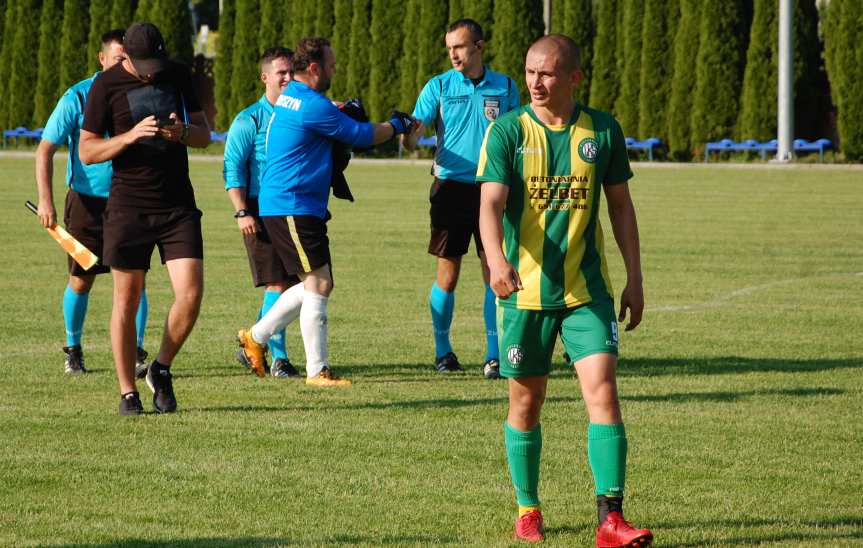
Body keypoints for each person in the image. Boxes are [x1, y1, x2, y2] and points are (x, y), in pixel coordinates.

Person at [477, 35, 653, 546]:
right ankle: (528, 508)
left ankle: (610, 518)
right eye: (530, 71)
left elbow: (620, 207)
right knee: (525, 408)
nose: (535, 82)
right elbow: (489, 205)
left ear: (574, 78)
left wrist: (635, 277)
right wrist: (495, 259)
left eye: (548, 73)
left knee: (604, 392)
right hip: (526, 294)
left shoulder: (602, 130)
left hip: (587, 291)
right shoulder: (509, 130)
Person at [236, 37, 416, 387]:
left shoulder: (294, 98)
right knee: (318, 283)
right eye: (331, 66)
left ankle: (255, 339)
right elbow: (361, 135)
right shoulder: (310, 104)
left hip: (293, 204)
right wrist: (397, 125)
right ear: (315, 68)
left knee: (315, 283)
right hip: (293, 205)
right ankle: (316, 371)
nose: (335, 70)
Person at [79, 22, 211, 416]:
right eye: (144, 64)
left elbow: (205, 134)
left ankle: (161, 367)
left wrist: (183, 132)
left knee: (190, 294)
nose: (152, 71)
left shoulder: (177, 75)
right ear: (128, 58)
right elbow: (87, 151)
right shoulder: (105, 86)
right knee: (126, 299)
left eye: (157, 62)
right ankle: (127, 393)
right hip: (128, 206)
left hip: (177, 205)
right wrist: (130, 136)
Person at [402, 19, 520, 378]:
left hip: (493, 189)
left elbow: (516, 133)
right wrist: (409, 133)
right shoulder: (438, 85)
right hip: (450, 189)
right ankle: (443, 352)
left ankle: (494, 355)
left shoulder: (506, 86)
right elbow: (413, 136)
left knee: (494, 272)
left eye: (460, 46)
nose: (454, 53)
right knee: (447, 276)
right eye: (449, 47)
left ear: (479, 47)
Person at [35, 29, 150, 375]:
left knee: (134, 279)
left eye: (128, 59)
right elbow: (45, 150)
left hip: (128, 201)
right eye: (118, 59)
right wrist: (46, 200)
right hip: (85, 204)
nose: (124, 65)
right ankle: (73, 348)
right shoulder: (77, 97)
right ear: (102, 59)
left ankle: (137, 351)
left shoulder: (140, 93)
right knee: (82, 279)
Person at [223, 46, 301, 379]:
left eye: (291, 72)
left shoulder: (298, 112)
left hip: (291, 206)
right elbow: (232, 169)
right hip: (258, 208)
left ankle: (255, 343)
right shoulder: (249, 120)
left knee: (297, 282)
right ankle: (278, 358)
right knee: (278, 283)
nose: (287, 78)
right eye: (280, 72)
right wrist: (242, 212)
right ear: (264, 77)